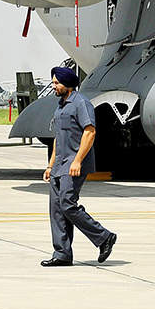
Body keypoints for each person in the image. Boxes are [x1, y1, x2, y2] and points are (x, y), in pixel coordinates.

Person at [40, 66, 116, 267]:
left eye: (57, 83)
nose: (54, 86)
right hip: (59, 165)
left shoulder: (81, 103)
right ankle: (62, 253)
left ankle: (104, 237)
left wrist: (78, 160)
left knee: (67, 203)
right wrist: (50, 165)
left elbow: (89, 132)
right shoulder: (60, 106)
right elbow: (58, 137)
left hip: (74, 164)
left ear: (67, 84)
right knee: (56, 209)